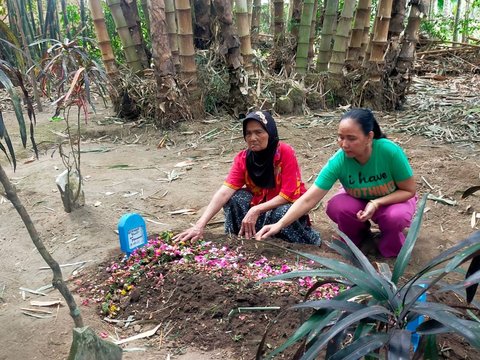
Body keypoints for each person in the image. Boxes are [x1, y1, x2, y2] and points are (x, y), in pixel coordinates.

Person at [256, 108, 417, 258]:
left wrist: (377, 202)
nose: (344, 144)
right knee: (337, 206)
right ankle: (360, 238)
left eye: (351, 138)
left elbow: (409, 190)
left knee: (394, 217)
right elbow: (309, 199)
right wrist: (279, 224)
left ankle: (388, 244)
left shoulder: (389, 152)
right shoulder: (339, 160)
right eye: (340, 137)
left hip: (392, 201)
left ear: (369, 137)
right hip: (359, 203)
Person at [173, 110, 320, 245]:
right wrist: (199, 226)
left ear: (270, 132)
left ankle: (303, 241)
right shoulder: (243, 158)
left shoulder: (284, 152)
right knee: (235, 198)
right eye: (248, 133)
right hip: (260, 207)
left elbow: (288, 195)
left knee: (282, 213)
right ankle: (240, 242)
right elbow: (224, 192)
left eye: (258, 132)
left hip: (283, 209)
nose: (253, 138)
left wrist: (255, 210)